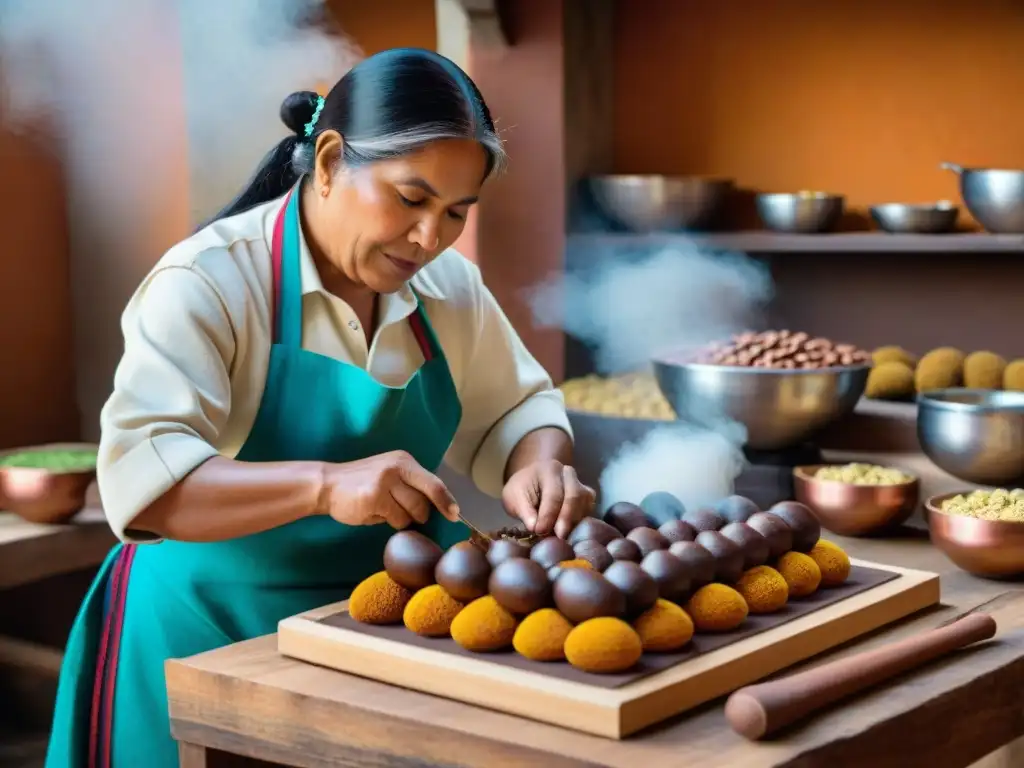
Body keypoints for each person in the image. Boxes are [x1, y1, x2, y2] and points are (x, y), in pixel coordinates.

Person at [46, 47, 594, 768]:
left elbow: (519, 408)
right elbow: (144, 486)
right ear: (331, 162)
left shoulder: (449, 290)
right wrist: (327, 485)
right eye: (410, 198)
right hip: (202, 633)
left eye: (457, 211)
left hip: (379, 639)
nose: (431, 237)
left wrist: (540, 464)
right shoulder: (207, 282)